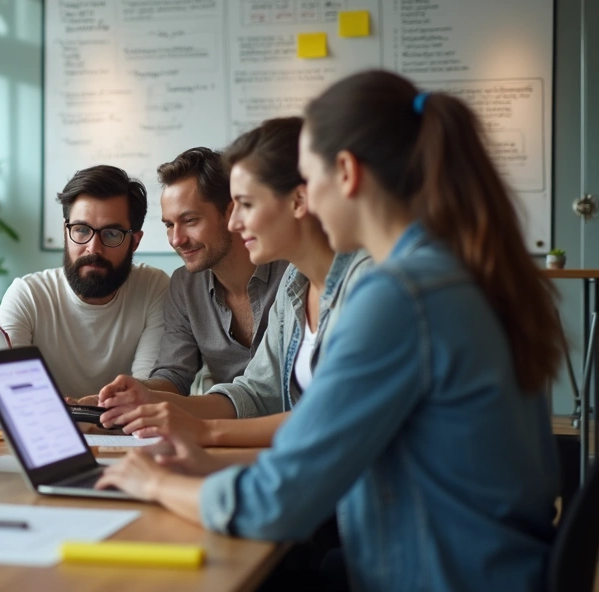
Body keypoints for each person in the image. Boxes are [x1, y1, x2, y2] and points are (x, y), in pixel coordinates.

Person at [96, 70, 562, 591]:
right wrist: (202, 457)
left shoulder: (397, 297)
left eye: (309, 179)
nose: (307, 200)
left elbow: (278, 503)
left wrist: (153, 481)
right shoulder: (442, 271)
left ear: (345, 173)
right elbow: (317, 442)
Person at [96, 118, 371, 457]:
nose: (237, 222)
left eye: (247, 204)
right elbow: (257, 391)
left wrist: (202, 433)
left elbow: (334, 420)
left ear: (299, 201)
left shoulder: (367, 283)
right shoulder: (295, 286)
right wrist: (152, 401)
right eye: (169, 225)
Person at [0, 165, 169, 419]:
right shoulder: (27, 295)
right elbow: (6, 386)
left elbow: (146, 393)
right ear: (66, 232)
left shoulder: (154, 288)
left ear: (135, 241)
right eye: (82, 230)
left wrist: (88, 410)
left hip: (127, 439)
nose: (93, 248)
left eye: (111, 234)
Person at [141, 147, 287, 397]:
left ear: (231, 212)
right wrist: (135, 392)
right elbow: (174, 374)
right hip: (229, 427)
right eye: (169, 224)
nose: (176, 239)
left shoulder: (291, 270)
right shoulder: (184, 285)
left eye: (190, 221)